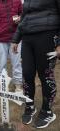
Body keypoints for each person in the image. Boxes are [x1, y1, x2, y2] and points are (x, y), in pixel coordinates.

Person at [12, 0, 60, 128]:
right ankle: (29, 105)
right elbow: (24, 17)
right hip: (27, 38)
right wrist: (16, 39)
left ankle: (47, 111)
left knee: (45, 75)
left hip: (47, 34)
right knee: (27, 73)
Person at [0, 0, 23, 92]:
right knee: (1, 64)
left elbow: (24, 15)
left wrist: (20, 18)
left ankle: (18, 86)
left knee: (17, 63)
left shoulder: (17, 2)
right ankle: (3, 86)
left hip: (15, 38)